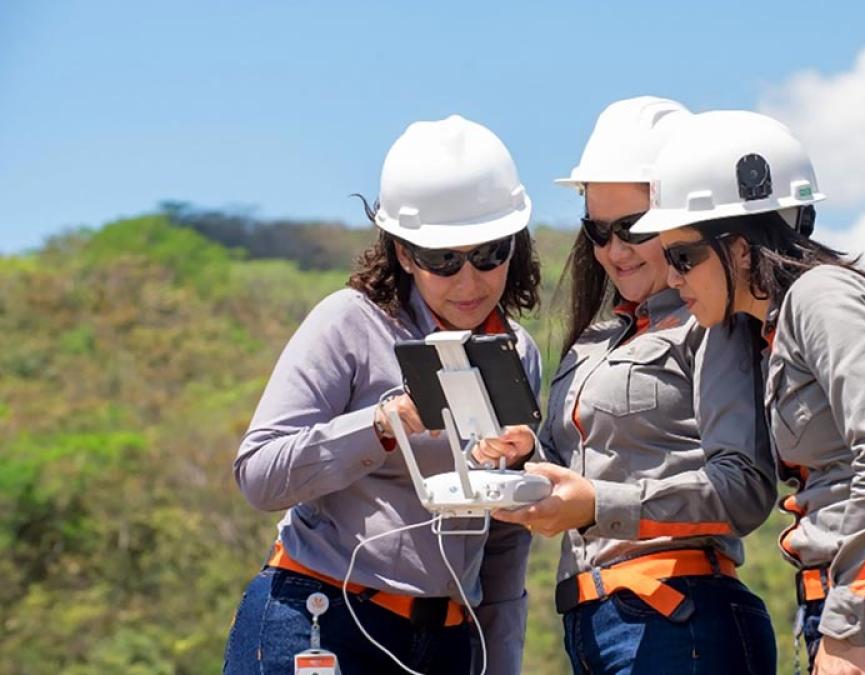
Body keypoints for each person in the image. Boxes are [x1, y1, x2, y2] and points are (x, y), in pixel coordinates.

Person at [632, 110, 865, 675]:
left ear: (740, 248)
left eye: (682, 256)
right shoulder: (775, 326)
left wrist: (846, 628)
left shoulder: (821, 298)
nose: (672, 278)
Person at [224, 115, 542, 675]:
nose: (468, 281)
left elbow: (504, 543)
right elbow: (259, 473)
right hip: (321, 619)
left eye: (489, 253)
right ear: (401, 252)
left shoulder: (518, 352)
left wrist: (499, 659)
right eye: (443, 260)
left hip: (449, 641)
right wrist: (381, 425)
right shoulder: (349, 323)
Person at [492, 97, 779, 674]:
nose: (614, 251)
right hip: (594, 625)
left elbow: (745, 488)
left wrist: (601, 504)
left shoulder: (714, 324)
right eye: (598, 231)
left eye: (633, 229)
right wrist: (527, 458)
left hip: (679, 617)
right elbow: (583, 474)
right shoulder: (593, 341)